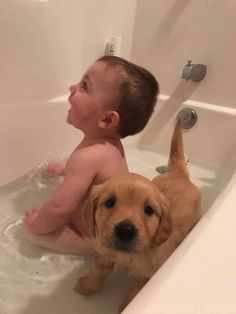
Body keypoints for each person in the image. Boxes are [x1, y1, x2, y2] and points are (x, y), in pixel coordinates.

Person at [23, 56, 159, 254]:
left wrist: (36, 225)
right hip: (106, 226)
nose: (73, 87)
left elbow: (60, 208)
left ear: (107, 119)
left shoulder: (88, 156)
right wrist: (65, 171)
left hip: (92, 239)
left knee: (33, 234)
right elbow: (93, 178)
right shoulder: (110, 147)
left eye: (84, 86)